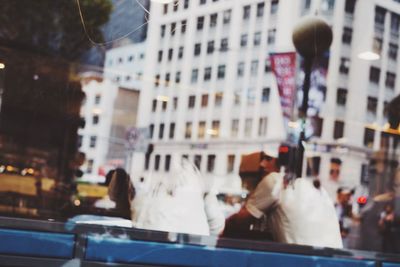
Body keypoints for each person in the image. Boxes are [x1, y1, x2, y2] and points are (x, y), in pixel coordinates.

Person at [221, 150, 281, 241]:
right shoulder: (283, 181)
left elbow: (239, 221)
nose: (262, 164)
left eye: (268, 159)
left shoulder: (273, 179)